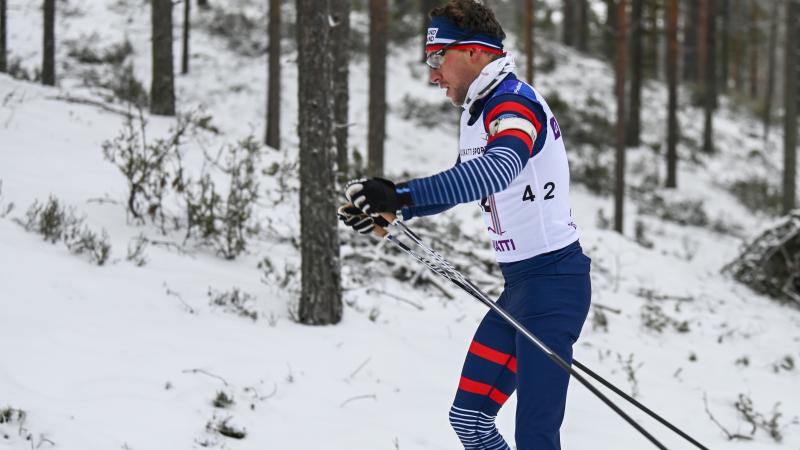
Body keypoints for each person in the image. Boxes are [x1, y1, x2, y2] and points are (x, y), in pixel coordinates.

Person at [338, 1, 591, 449]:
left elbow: (497, 171)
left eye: (438, 58)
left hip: (554, 287)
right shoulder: (480, 113)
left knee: (535, 437)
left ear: (475, 53)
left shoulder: (514, 104)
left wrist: (400, 195)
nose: (433, 74)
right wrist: (394, 211)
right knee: (470, 420)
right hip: (519, 290)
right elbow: (469, 182)